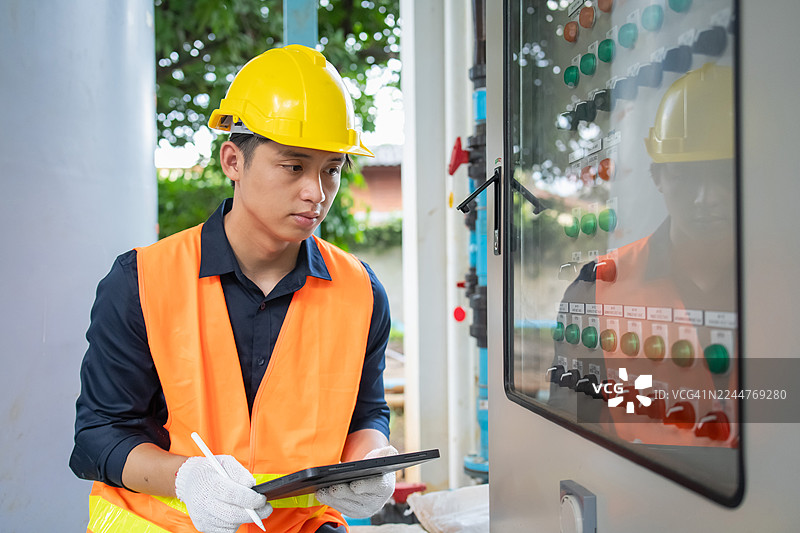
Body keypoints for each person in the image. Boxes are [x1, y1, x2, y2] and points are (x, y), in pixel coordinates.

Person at [70, 44, 396, 533]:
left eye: (331, 168)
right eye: (294, 166)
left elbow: (366, 412)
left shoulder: (361, 292)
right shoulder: (140, 282)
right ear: (233, 161)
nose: (317, 192)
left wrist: (370, 459)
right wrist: (185, 478)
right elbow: (98, 437)